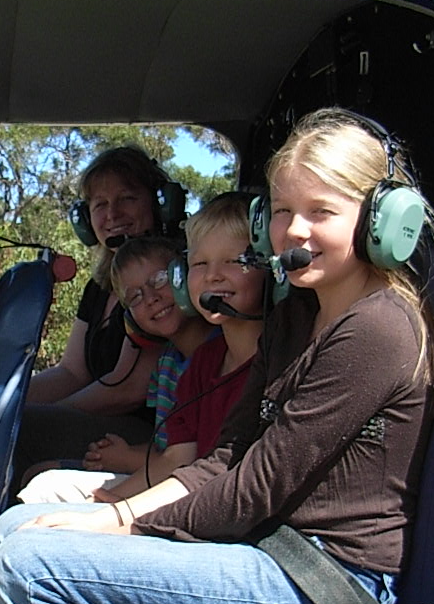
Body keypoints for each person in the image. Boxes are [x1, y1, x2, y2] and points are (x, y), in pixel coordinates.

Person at [0, 109, 434, 604]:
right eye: (282, 212)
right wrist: (124, 508)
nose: (295, 232)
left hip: (324, 580)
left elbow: (253, 487)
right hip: (273, 552)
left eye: (322, 211)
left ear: (382, 217)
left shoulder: (378, 328)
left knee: (31, 564)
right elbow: (227, 454)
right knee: (16, 530)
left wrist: (121, 526)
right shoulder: (299, 314)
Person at [20, 196, 264, 505]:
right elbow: (177, 455)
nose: (150, 298)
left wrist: (117, 492)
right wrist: (109, 500)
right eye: (134, 297)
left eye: (161, 280)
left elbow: (188, 463)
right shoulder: (197, 365)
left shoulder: (265, 360)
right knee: (43, 484)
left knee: (46, 485)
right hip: (181, 483)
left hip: (206, 497)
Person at [12, 147, 184, 484]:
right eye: (100, 205)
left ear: (158, 203)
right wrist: (4, 399)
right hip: (104, 419)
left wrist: (36, 415)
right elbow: (72, 372)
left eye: (127, 199)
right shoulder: (100, 286)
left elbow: (130, 389)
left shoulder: (164, 277)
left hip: (148, 432)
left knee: (21, 433)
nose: (112, 214)